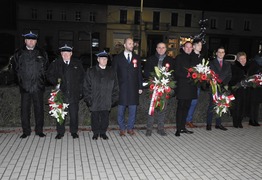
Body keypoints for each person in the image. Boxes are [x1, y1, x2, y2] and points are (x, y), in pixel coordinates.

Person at [12, 31, 49, 139]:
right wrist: (21, 81)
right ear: (25, 41)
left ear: (36, 41)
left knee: (39, 110)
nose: (31, 42)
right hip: (25, 87)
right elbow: (15, 69)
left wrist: (42, 80)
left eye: (33, 40)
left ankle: (39, 131)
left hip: (38, 86)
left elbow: (46, 68)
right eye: (29, 40)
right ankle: (26, 131)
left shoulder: (42, 53)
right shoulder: (19, 53)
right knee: (24, 111)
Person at [46, 44, 85, 139]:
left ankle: (74, 132)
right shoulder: (56, 63)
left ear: (71, 53)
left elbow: (82, 78)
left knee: (74, 115)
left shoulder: (77, 63)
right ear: (61, 54)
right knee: (60, 115)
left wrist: (81, 91)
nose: (66, 55)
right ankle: (60, 132)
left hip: (73, 93)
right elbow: (48, 75)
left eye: (68, 53)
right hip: (60, 93)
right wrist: (56, 81)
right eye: (64, 53)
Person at [83, 50, 119, 140]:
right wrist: (88, 99)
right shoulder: (91, 71)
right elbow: (86, 86)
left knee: (105, 117)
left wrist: (113, 100)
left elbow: (116, 87)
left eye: (105, 59)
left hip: (107, 100)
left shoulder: (112, 72)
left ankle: (103, 132)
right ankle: (95, 132)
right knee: (95, 117)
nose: (104, 60)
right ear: (98, 59)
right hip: (94, 99)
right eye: (102, 59)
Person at [112, 37, 143, 136]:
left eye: (132, 43)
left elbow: (139, 73)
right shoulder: (117, 58)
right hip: (122, 89)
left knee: (133, 110)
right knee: (121, 110)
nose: (132, 45)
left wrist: (140, 87)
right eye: (129, 43)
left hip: (133, 89)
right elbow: (114, 74)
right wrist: (115, 88)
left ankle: (130, 128)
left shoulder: (137, 57)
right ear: (124, 45)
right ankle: (122, 128)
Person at [143, 42, 175, 136]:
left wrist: (166, 81)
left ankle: (160, 128)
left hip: (165, 88)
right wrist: (155, 80)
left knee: (163, 109)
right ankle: (149, 129)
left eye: (163, 48)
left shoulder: (170, 60)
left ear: (166, 49)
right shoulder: (151, 59)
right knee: (151, 108)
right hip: (153, 88)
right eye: (159, 47)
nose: (161, 49)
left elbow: (173, 74)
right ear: (156, 49)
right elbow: (146, 72)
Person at [174, 41, 200, 137]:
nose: (188, 49)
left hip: (192, 87)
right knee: (180, 108)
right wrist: (188, 75)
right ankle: (178, 129)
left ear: (192, 48)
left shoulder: (195, 58)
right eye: (187, 47)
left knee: (186, 108)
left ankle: (183, 127)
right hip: (182, 86)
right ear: (183, 48)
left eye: (190, 47)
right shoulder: (179, 57)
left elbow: (199, 70)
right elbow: (176, 72)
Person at [206, 46, 232, 131]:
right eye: (219, 52)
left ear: (224, 54)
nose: (221, 53)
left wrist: (223, 83)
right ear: (216, 53)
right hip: (213, 86)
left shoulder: (228, 64)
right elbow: (209, 74)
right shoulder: (211, 62)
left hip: (222, 87)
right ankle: (209, 124)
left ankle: (218, 124)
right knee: (211, 105)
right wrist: (216, 82)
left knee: (221, 104)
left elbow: (229, 75)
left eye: (222, 52)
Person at [228, 52, 250, 128]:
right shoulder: (234, 67)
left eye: (244, 58)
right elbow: (231, 80)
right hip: (237, 90)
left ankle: (240, 121)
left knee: (243, 106)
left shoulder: (248, 67)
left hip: (245, 90)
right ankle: (236, 122)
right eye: (241, 59)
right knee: (236, 106)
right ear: (238, 59)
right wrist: (241, 80)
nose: (243, 60)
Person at [185, 38, 203, 128]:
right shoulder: (190, 56)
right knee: (189, 102)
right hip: (190, 84)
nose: (200, 47)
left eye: (201, 45)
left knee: (194, 102)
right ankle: (186, 120)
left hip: (198, 84)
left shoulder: (202, 57)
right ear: (194, 46)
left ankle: (189, 120)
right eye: (199, 45)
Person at [248, 51, 262, 126]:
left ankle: (255, 120)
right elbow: (250, 74)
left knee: (257, 104)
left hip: (260, 87)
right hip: (254, 87)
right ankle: (251, 119)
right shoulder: (254, 62)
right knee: (253, 104)